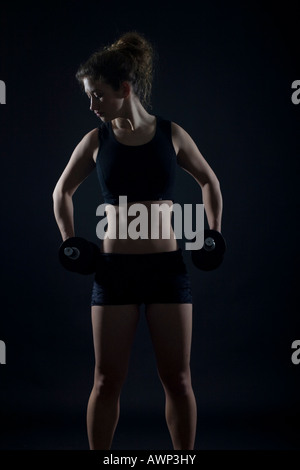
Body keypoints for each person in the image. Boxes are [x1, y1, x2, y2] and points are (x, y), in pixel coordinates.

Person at [52, 31, 223, 450]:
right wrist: (70, 241)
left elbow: (209, 181)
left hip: (167, 271)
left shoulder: (171, 134)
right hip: (114, 274)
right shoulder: (96, 142)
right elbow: (61, 193)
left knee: (178, 380)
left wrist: (214, 232)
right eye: (88, 97)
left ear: (124, 89)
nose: (91, 105)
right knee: (106, 380)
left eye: (97, 95)